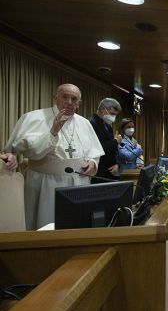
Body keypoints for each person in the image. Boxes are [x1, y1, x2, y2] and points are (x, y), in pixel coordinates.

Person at [5, 84, 104, 229]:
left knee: (77, 227)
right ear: (55, 98)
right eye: (65, 97)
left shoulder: (84, 123)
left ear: (79, 103)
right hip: (45, 183)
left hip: (79, 183)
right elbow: (22, 151)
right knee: (44, 226)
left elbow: (94, 153)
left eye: (74, 98)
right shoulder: (33, 118)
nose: (69, 101)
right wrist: (53, 131)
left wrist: (93, 163)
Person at [89, 98, 122, 183]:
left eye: (115, 115)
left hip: (110, 171)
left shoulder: (107, 126)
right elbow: (98, 147)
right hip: (98, 171)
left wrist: (116, 163)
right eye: (112, 114)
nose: (114, 117)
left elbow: (113, 149)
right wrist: (115, 141)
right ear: (103, 110)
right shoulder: (90, 123)